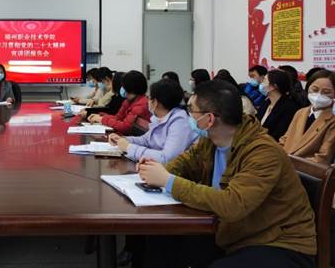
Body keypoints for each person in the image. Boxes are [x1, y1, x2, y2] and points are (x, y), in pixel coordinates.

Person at [136, 80, 316, 268]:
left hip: (278, 243)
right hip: (233, 232)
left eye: (191, 110)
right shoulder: (211, 139)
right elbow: (187, 162)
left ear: (209, 119)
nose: (188, 115)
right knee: (162, 239)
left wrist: (168, 181)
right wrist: (157, 169)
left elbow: (233, 204)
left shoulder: (263, 152)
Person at [108, 79, 196, 163]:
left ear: (155, 102)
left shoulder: (180, 123)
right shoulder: (159, 117)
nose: (147, 101)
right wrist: (124, 139)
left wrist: (129, 148)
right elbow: (147, 140)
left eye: (149, 98)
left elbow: (167, 159)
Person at [279, 69, 335, 165]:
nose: (319, 95)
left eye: (326, 92)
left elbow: (323, 158)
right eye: (315, 90)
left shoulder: (332, 119)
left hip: (305, 170)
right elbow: (285, 140)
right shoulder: (301, 112)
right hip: (283, 163)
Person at [257, 69, 301, 141]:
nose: (261, 83)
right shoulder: (266, 102)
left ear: (273, 86)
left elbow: (279, 134)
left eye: (264, 80)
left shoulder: (290, 108)